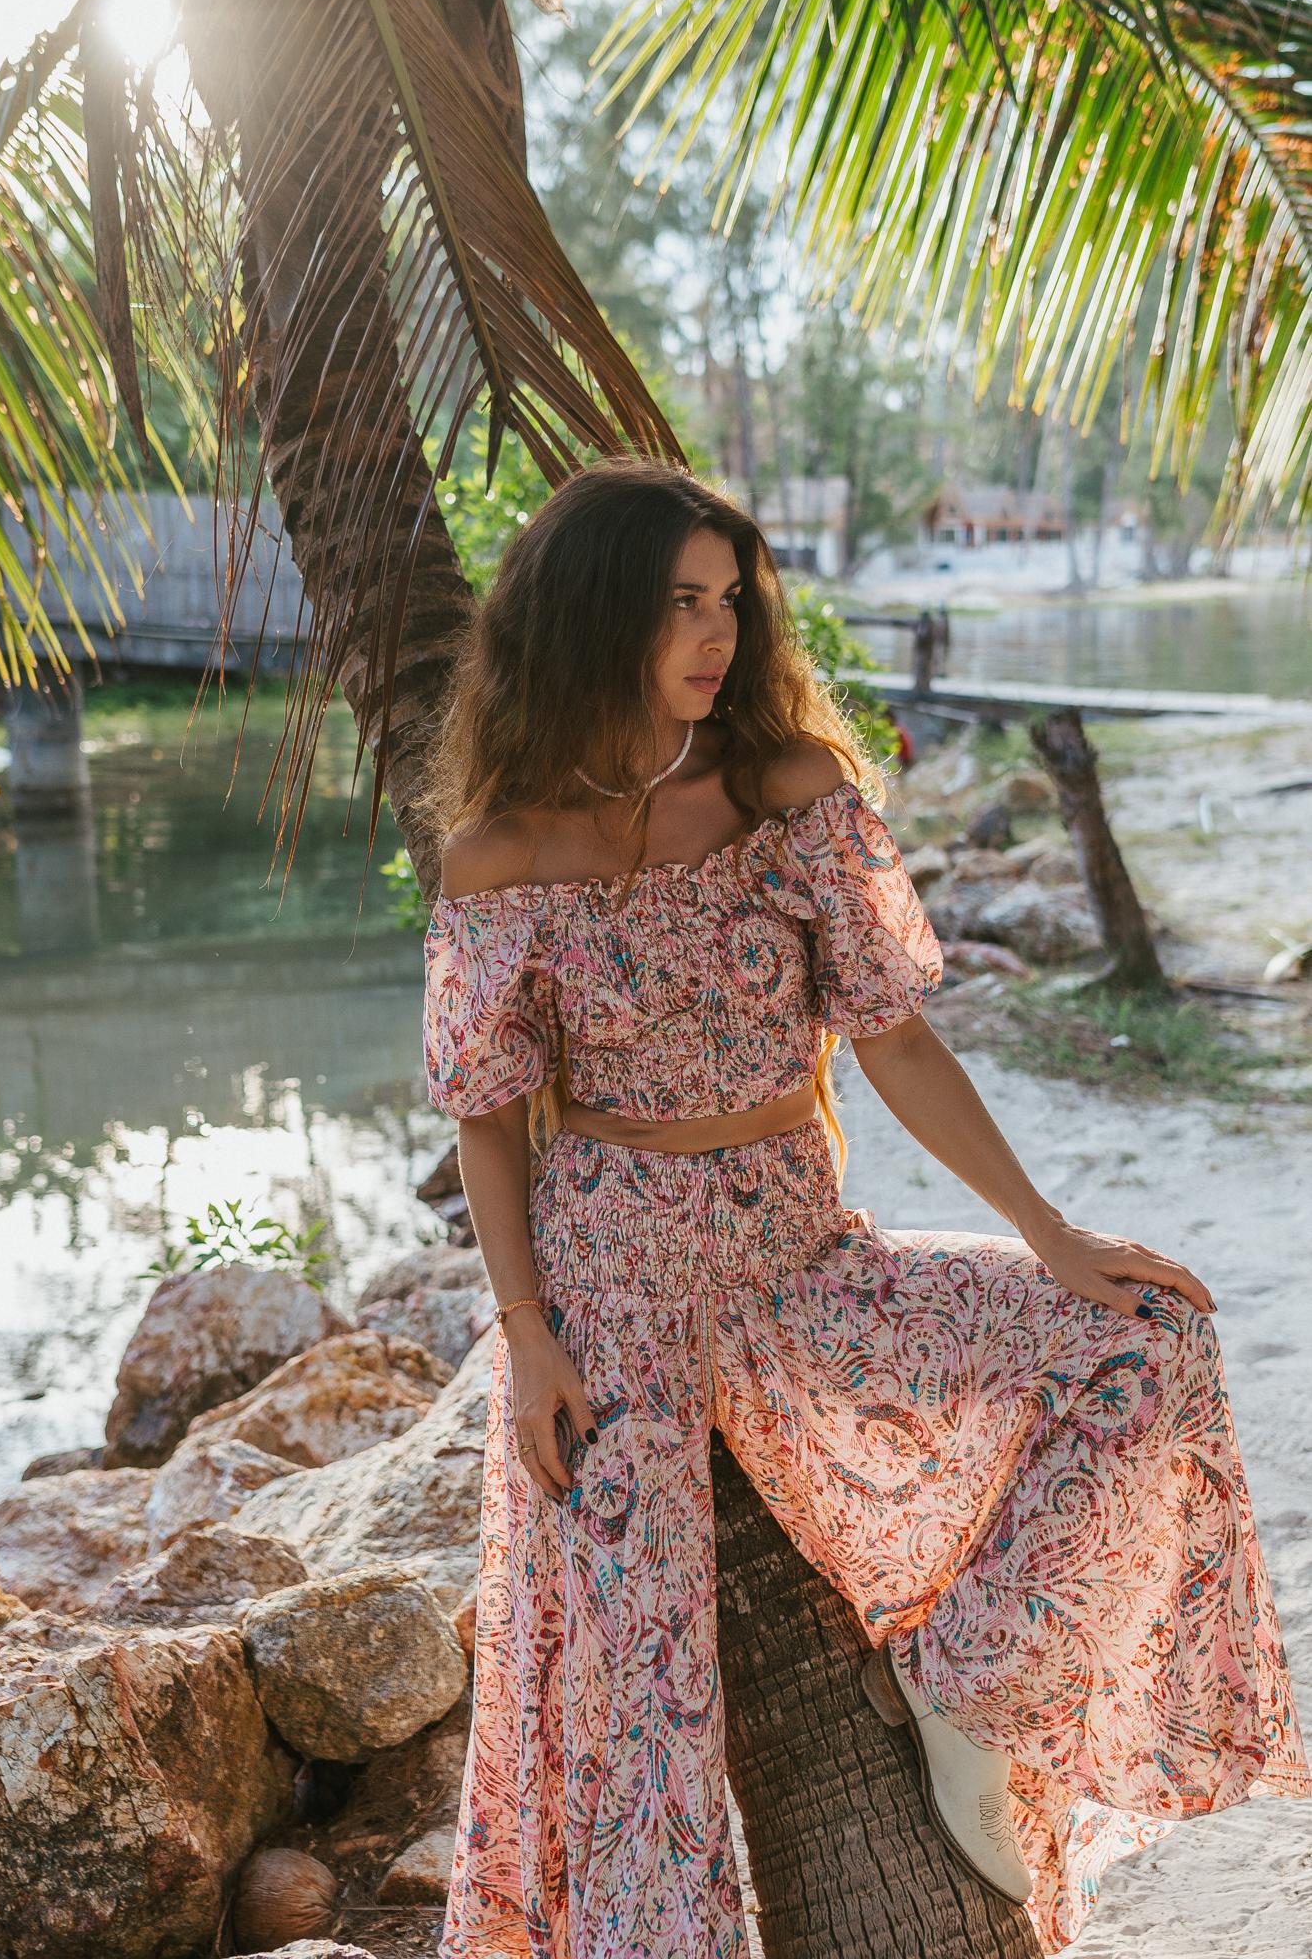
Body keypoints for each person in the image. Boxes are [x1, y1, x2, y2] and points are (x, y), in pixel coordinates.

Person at [419, 456, 1309, 1959]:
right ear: (588, 616)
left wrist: (1050, 1234)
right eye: (679, 603)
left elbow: (895, 1040)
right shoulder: (497, 856)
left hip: (802, 1263)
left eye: (729, 600)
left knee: (1144, 1343)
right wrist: (527, 1336)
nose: (717, 633)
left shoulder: (786, 795)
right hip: (609, 1298)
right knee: (636, 1732)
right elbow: (489, 1124)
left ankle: (965, 1692)